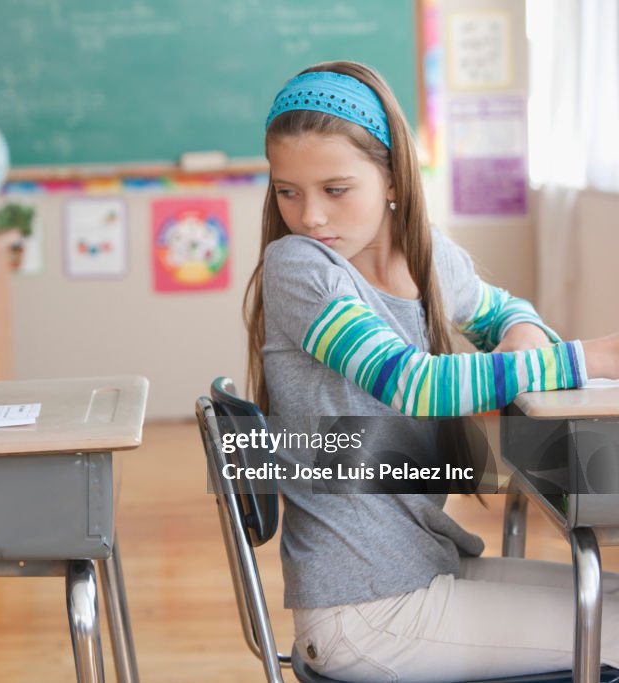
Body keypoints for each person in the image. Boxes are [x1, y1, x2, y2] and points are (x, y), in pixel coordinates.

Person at [243, 61, 619, 681]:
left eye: (335, 190)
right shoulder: (300, 269)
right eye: (288, 191)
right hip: (366, 610)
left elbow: (506, 312)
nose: (310, 216)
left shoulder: (427, 256)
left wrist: (519, 340)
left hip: (422, 570)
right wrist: (588, 358)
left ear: (391, 179)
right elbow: (413, 382)